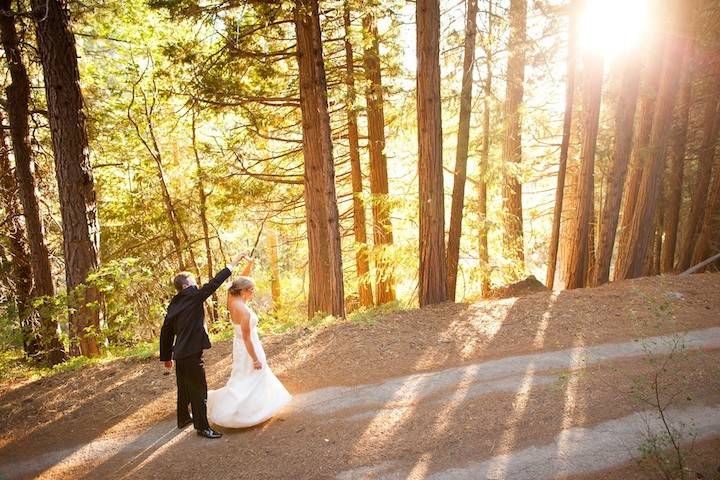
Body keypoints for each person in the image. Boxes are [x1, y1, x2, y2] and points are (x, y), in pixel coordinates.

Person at [159, 252, 252, 439]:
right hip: (192, 353)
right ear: (186, 286)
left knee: (184, 388)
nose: (197, 285)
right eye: (193, 282)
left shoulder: (174, 304)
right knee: (199, 389)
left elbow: (166, 331)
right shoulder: (192, 295)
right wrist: (233, 263)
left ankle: (184, 418)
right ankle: (202, 427)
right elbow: (214, 283)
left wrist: (167, 357)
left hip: (179, 353)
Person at [206, 273, 291, 428]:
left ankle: (260, 405)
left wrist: (248, 264)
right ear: (243, 291)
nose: (253, 293)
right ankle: (241, 411)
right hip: (248, 348)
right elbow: (247, 339)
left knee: (244, 377)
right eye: (251, 290)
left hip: (240, 345)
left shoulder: (232, 299)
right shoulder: (244, 311)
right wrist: (255, 359)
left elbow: (239, 280)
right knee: (253, 373)